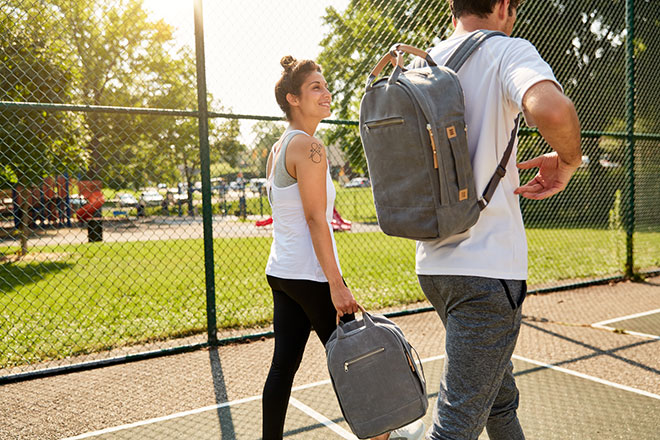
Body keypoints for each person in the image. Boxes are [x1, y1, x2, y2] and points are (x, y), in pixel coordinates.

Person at [414, 1, 582, 439]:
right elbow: (553, 111)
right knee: (454, 427)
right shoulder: (506, 50)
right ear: (504, 5)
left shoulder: (424, 62)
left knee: (498, 402)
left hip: (433, 268)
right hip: (486, 275)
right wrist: (569, 159)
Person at [262, 56, 425, 440]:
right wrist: (336, 284)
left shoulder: (278, 147)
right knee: (364, 360)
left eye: (325, 85)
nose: (326, 92)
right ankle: (382, 434)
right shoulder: (311, 148)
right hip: (311, 275)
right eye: (315, 87)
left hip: (283, 273)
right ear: (293, 99)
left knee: (283, 367)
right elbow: (317, 220)